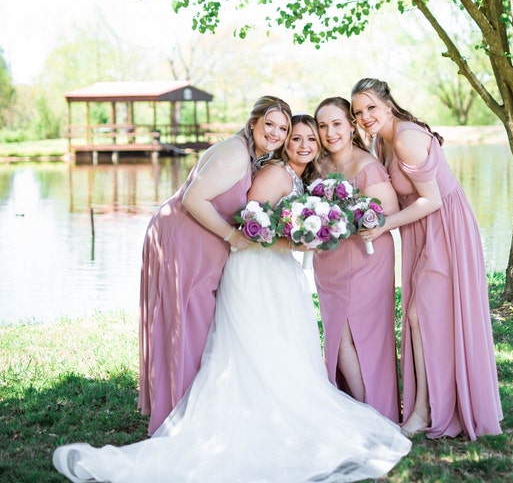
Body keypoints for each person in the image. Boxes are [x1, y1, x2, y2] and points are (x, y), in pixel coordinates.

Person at [52, 114, 411, 483]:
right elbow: (250, 222)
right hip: (256, 270)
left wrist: (307, 233)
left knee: (280, 345)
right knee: (257, 344)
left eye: (309, 139)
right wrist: (296, 238)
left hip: (276, 269)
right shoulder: (275, 173)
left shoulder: (297, 177)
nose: (303, 145)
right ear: (283, 143)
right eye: (295, 138)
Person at [351, 78, 503, 441]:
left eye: (371, 107)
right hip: (421, 231)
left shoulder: (406, 137)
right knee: (421, 316)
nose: (365, 116)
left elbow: (432, 200)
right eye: (358, 112)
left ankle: (425, 409)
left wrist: (384, 225)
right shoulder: (381, 141)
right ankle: (428, 403)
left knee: (422, 315)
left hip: (445, 228)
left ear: (388, 104)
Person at [138, 96, 292, 434]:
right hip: (182, 239)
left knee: (192, 323)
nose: (276, 133)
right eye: (270, 124)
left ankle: (185, 406)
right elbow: (193, 197)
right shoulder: (234, 152)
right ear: (253, 123)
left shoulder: (249, 155)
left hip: (198, 242)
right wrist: (231, 236)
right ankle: (177, 417)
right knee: (185, 325)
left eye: (283, 128)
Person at [313, 97, 401, 422]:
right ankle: (351, 405)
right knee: (335, 331)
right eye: (323, 126)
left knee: (355, 330)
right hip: (329, 262)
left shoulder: (368, 167)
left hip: (367, 258)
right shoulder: (318, 165)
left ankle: (368, 413)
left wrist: (357, 217)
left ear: (351, 125)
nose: (329, 132)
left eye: (336, 123)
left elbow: (388, 213)